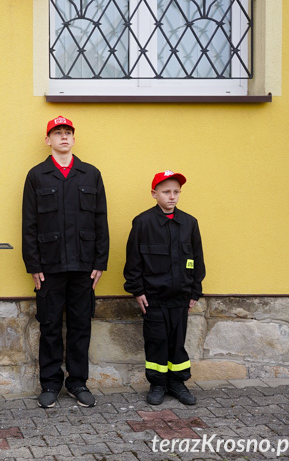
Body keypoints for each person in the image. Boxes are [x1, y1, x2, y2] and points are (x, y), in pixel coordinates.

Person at [22, 116, 109, 408]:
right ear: (48, 140)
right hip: (49, 267)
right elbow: (29, 224)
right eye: (57, 133)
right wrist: (33, 265)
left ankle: (77, 382)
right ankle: (49, 384)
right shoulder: (37, 175)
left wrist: (100, 261)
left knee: (80, 325)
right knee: (49, 326)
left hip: (84, 266)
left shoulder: (91, 174)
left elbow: (100, 220)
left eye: (67, 132)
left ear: (74, 138)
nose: (63, 137)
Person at [123, 171, 205, 406]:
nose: (172, 197)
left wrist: (194, 291)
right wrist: (137, 290)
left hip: (180, 297)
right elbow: (133, 260)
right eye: (166, 192)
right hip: (154, 298)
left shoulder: (189, 223)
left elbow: (197, 259)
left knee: (177, 342)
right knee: (157, 341)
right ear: (154, 194)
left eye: (176, 192)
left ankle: (177, 383)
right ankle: (157, 384)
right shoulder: (143, 222)